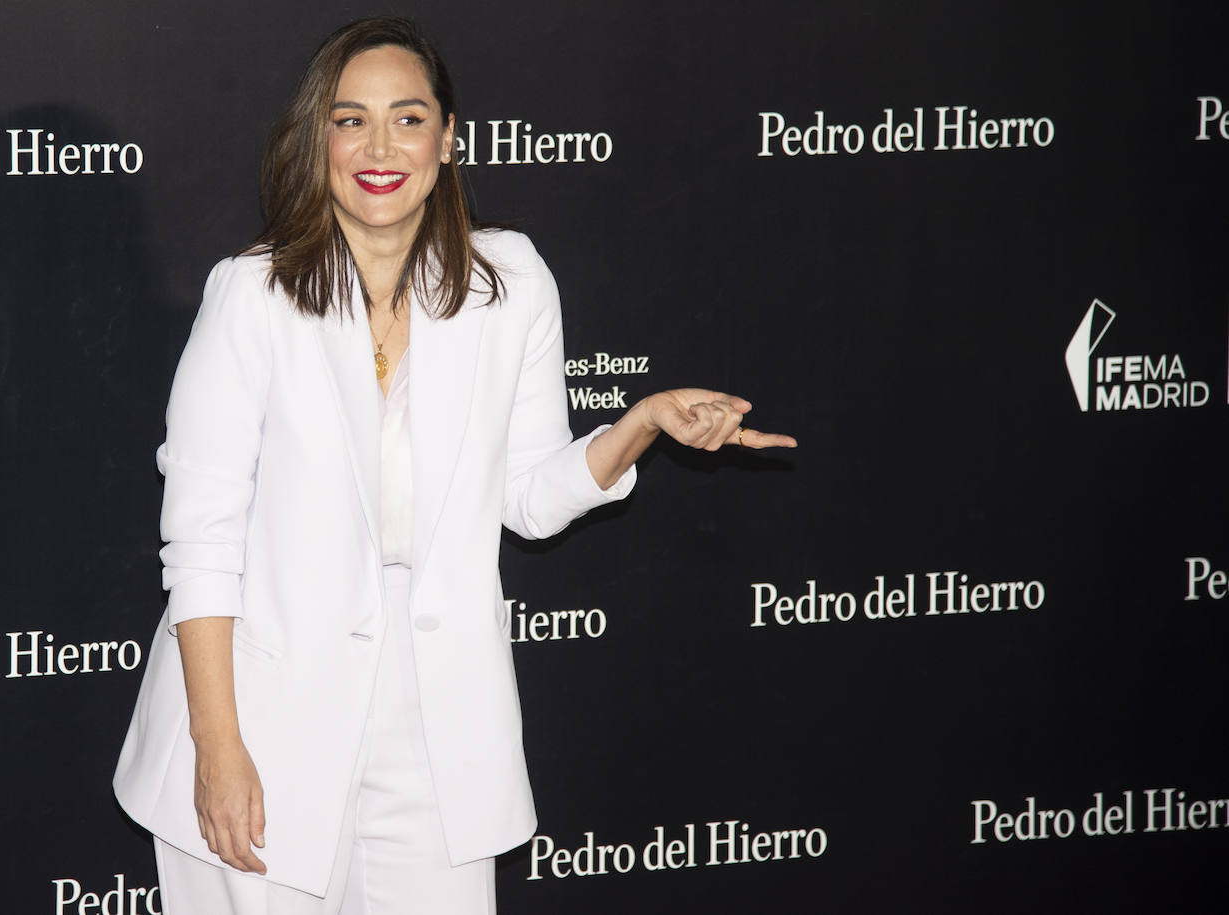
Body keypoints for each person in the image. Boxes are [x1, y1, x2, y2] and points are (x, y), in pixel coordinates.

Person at [113, 15, 796, 915]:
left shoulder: (509, 285)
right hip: (264, 708)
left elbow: (529, 497)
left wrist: (638, 426)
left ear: (447, 140)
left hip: (439, 725)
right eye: (350, 119)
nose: (380, 145)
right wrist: (218, 745)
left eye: (407, 117)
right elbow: (199, 540)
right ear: (318, 138)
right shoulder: (254, 294)